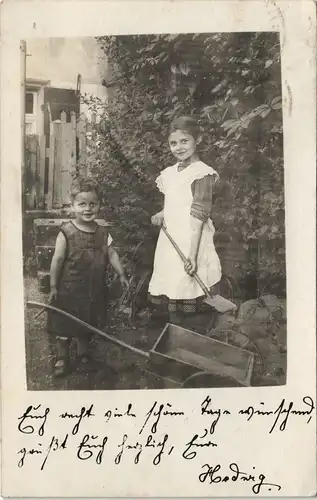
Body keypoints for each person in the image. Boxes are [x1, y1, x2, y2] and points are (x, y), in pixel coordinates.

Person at [48, 177, 128, 377]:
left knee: (87, 322)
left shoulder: (102, 232)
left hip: (93, 290)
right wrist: (53, 287)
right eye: (82, 204)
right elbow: (57, 260)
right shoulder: (66, 232)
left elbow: (111, 254)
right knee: (64, 324)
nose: (87, 209)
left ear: (99, 204)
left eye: (93, 204)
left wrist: (121, 273)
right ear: (73, 205)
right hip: (69, 290)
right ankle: (62, 357)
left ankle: (83, 354)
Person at [148, 115, 222, 324]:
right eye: (173, 143)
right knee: (174, 287)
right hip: (171, 239)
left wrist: (192, 256)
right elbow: (175, 204)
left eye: (184, 141)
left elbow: (198, 216)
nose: (179, 147)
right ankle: (176, 338)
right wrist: (160, 215)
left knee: (190, 285)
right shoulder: (170, 173)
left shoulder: (202, 174)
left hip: (193, 240)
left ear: (197, 139)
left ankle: (194, 335)